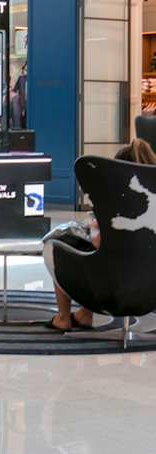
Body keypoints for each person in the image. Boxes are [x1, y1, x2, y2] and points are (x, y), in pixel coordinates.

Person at [46, 138, 156, 331]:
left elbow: (98, 243)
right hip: (150, 293)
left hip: (113, 292)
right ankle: (83, 314)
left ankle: (63, 318)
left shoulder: (114, 206)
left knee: (57, 242)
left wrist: (94, 228)